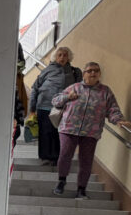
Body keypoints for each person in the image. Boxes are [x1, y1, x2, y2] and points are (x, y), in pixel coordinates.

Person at [51, 62, 131, 198]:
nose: (93, 73)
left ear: (99, 74)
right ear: (84, 74)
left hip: (91, 132)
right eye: (90, 71)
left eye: (96, 70)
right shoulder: (74, 87)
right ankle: (61, 181)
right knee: (65, 155)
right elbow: (55, 101)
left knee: (86, 161)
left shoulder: (105, 92)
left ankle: (81, 189)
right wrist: (67, 97)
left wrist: (119, 120)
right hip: (69, 128)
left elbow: (113, 109)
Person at [27, 46, 81, 165]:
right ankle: (45, 157)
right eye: (59, 55)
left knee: (59, 133)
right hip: (44, 105)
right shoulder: (47, 70)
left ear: (69, 58)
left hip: (63, 107)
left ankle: (57, 158)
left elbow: (79, 90)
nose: (62, 57)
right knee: (45, 132)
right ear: (55, 57)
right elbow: (35, 88)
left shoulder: (74, 72)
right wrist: (32, 107)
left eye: (65, 55)